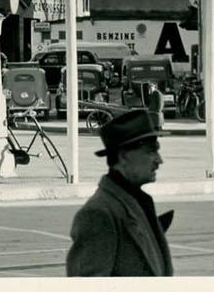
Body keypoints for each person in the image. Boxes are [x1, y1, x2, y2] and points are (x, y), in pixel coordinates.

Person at [66, 109, 174, 276]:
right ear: (123, 156)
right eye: (151, 150)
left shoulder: (137, 202)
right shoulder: (98, 214)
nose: (159, 160)